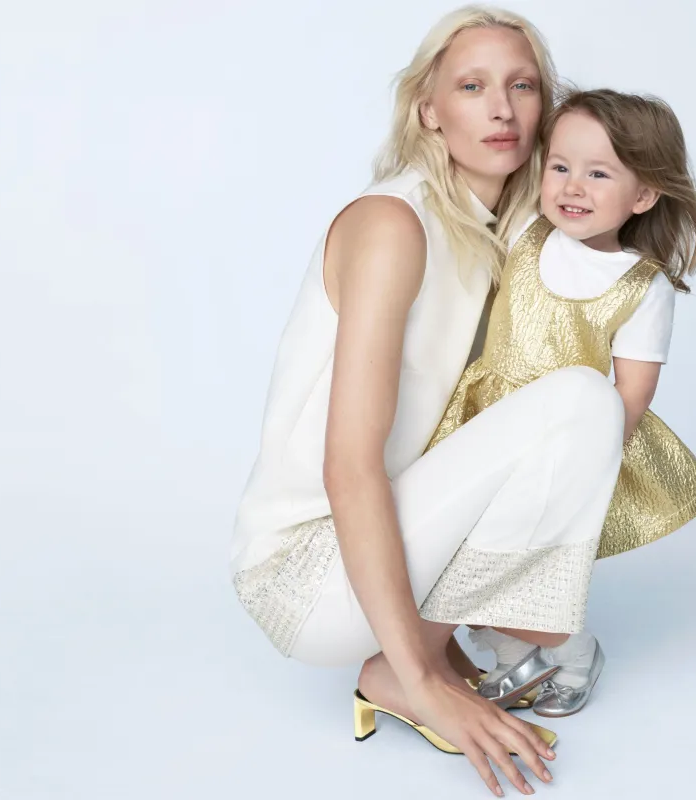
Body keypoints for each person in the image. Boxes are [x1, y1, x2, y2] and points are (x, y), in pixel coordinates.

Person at [229, 7, 625, 796]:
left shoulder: (505, 230)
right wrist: (421, 679)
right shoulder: (393, 223)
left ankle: (444, 646)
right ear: (429, 110)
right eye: (472, 87)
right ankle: (405, 669)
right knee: (581, 403)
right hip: (307, 577)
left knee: (578, 399)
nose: (501, 109)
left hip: (380, 559)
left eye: (522, 87)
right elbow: (349, 465)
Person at [426, 88, 696, 717]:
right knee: (462, 548)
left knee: (523, 558)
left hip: (563, 447)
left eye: (599, 174)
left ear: (643, 195)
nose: (572, 187)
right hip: (483, 422)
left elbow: (632, 392)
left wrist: (583, 467)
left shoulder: (640, 286)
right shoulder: (527, 231)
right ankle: (514, 656)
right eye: (560, 166)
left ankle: (573, 655)